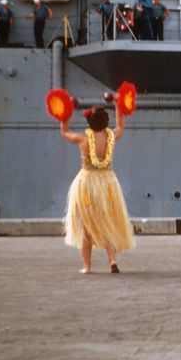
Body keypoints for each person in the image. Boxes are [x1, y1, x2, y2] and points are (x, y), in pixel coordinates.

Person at [61, 105, 135, 274]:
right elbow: (121, 126)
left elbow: (64, 133)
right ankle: (112, 261)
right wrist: (118, 105)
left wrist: (63, 116)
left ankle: (87, 266)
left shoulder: (83, 140)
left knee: (87, 226)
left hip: (87, 183)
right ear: (106, 122)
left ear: (89, 123)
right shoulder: (111, 137)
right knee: (106, 221)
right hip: (108, 182)